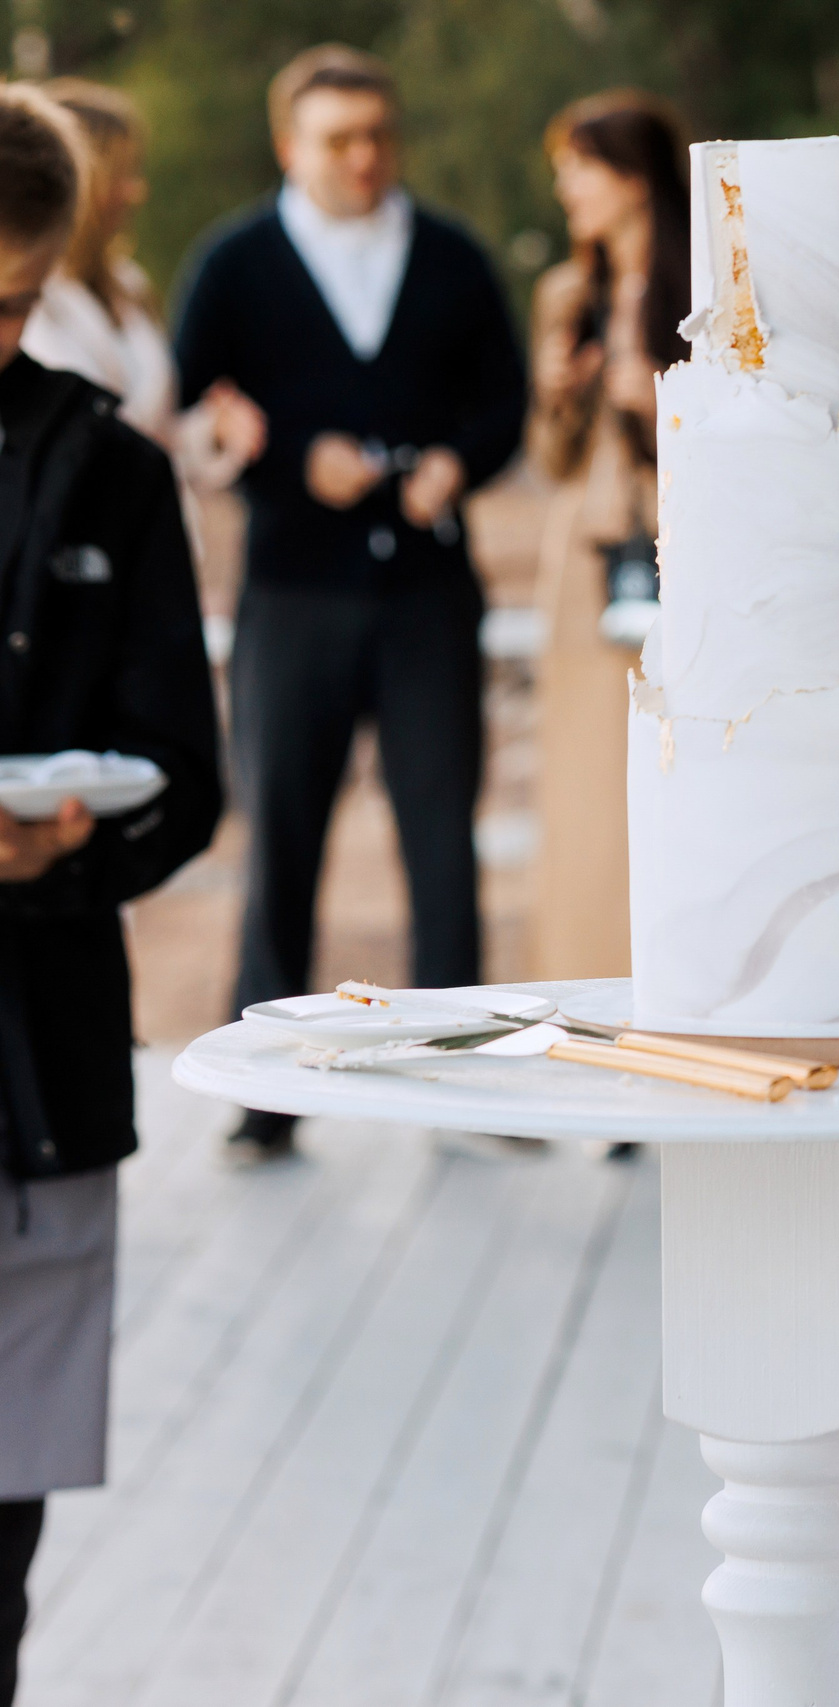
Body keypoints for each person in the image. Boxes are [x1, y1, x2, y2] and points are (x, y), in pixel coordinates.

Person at [173, 45, 526, 1163]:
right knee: (282, 842)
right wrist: (285, 462)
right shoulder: (233, 262)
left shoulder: (455, 257)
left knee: (443, 843)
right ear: (291, 145)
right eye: (338, 139)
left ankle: (461, 1092)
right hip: (292, 596)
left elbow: (503, 402)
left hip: (429, 595)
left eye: (378, 134)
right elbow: (194, 405)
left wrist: (456, 464)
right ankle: (265, 1102)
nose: (364, 156)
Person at [0, 86, 224, 1705]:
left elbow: (186, 779)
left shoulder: (114, 475)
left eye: (16, 301)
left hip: (42, 1067)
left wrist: (68, 846)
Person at [524, 91, 686, 986]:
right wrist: (558, 393)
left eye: (579, 169)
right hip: (587, 569)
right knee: (589, 786)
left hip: (684, 551)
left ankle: (679, 986)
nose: (566, 190)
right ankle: (589, 987)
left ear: (633, 176)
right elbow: (550, 459)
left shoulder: (709, 287)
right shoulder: (565, 293)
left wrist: (659, 401)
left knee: (682, 774)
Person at [20, 81, 263, 489]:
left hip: (154, 517)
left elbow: (160, 437)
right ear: (80, 181)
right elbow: (76, 443)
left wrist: (212, 429)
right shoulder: (29, 303)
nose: (136, 191)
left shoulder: (129, 284)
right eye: (122, 175)